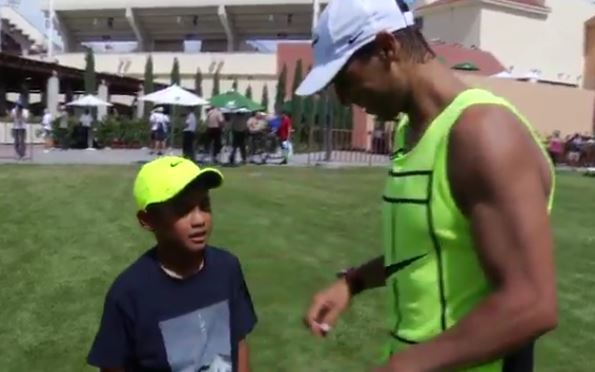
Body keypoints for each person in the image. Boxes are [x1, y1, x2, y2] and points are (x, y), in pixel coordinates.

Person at [297, 1, 557, 371]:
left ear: (388, 48)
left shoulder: (483, 134)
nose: (342, 98)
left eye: (344, 79)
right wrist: (353, 281)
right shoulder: (411, 132)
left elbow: (532, 304)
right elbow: (425, 248)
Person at [87, 156, 257, 372]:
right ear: (148, 220)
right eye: (183, 210)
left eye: (204, 205)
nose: (199, 220)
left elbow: (238, 342)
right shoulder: (129, 294)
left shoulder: (227, 268)